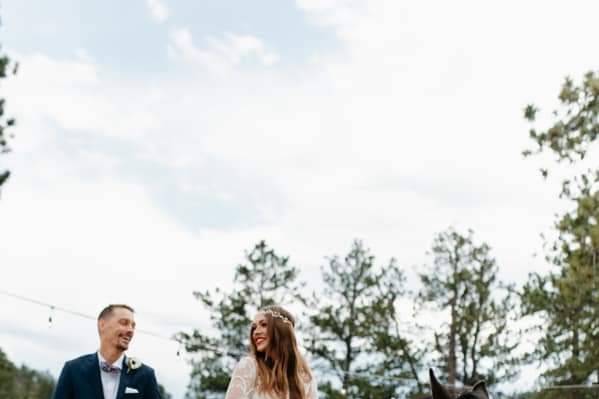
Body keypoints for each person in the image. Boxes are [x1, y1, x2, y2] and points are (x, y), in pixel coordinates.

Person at [52, 304, 162, 399]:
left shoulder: (145, 375)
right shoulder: (73, 370)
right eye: (124, 323)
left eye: (133, 326)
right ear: (102, 325)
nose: (130, 330)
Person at [225, 305, 318, 399]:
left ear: (281, 330)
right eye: (254, 327)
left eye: (263, 325)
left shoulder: (305, 377)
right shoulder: (249, 367)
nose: (256, 332)